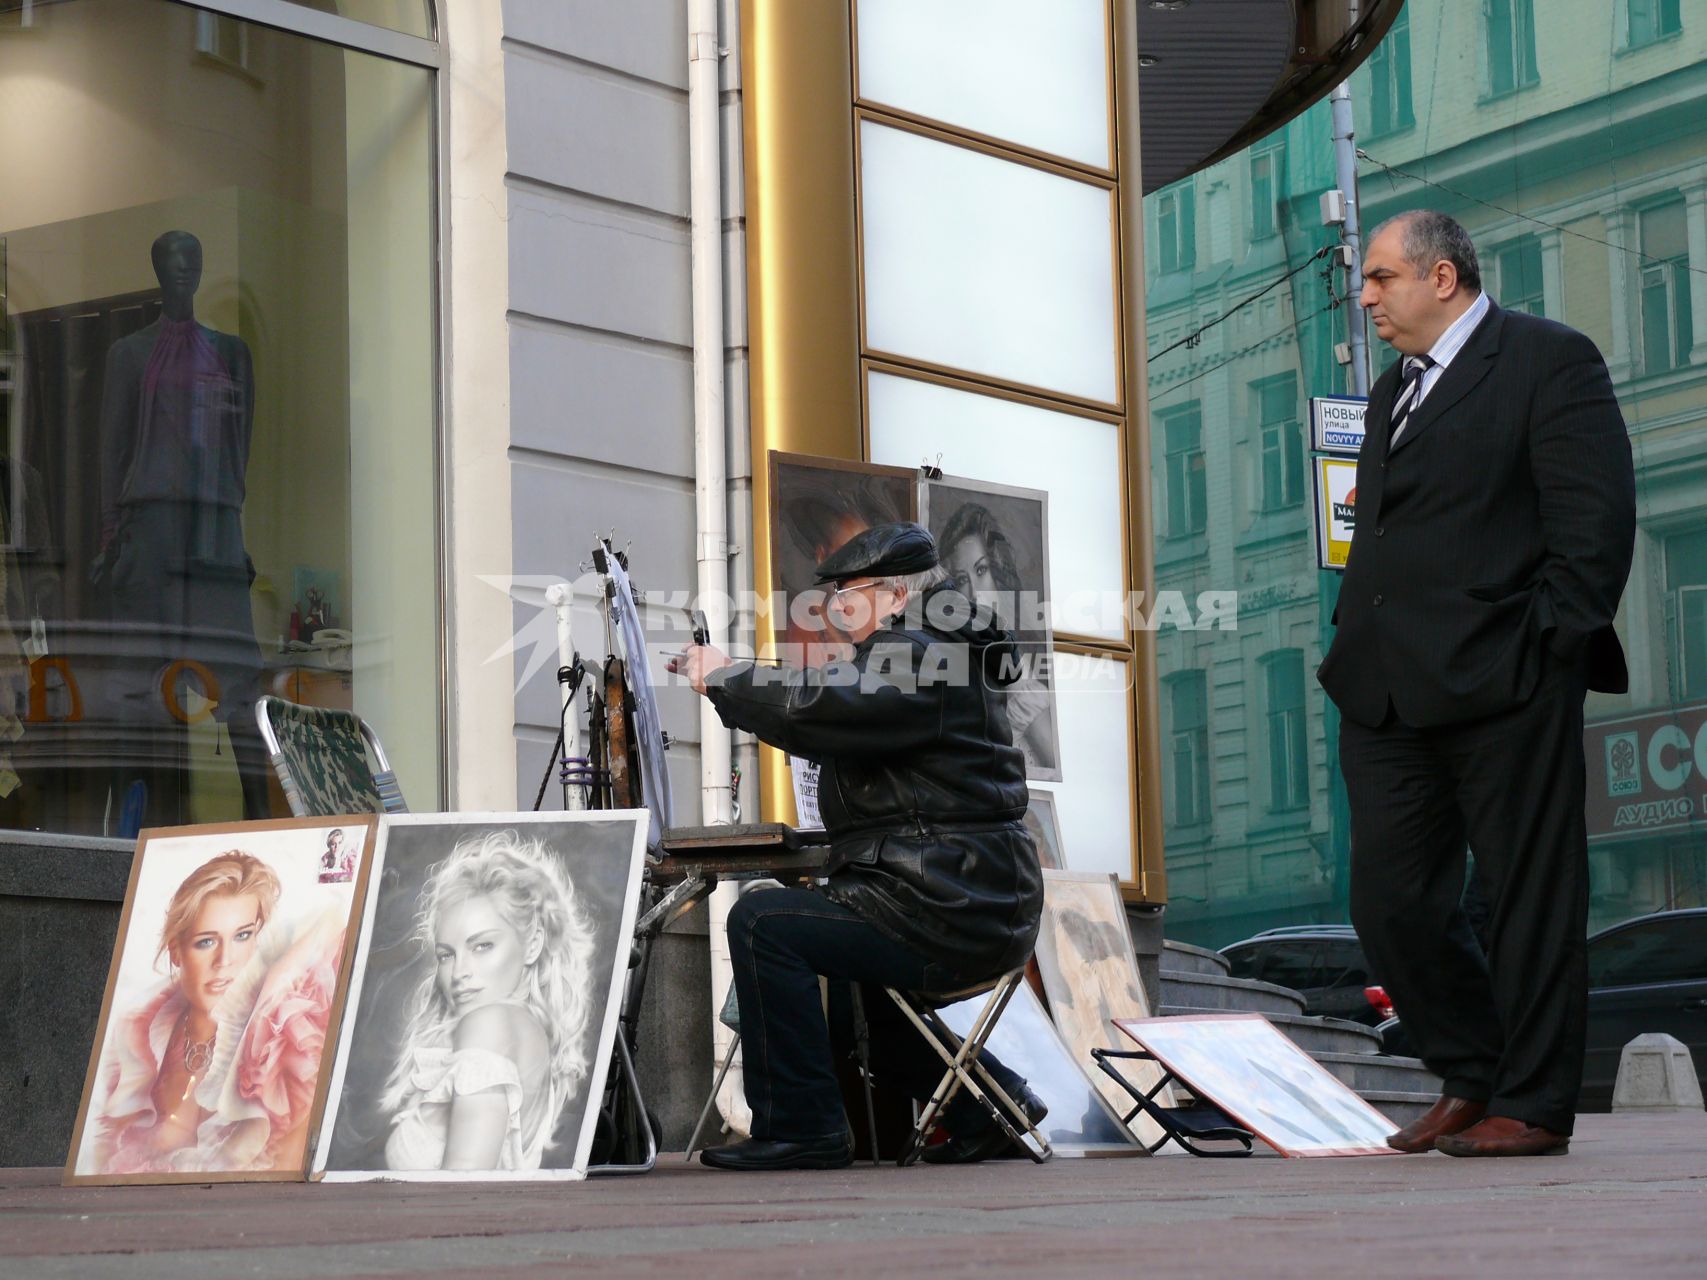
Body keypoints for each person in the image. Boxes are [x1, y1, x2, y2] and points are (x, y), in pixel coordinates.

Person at [1316, 210, 1636, 1157]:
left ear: (1442, 278)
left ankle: (1530, 1105)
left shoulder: (1547, 360)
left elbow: (1596, 519)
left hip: (1507, 679)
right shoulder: (1388, 394)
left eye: (1379, 278)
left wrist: (1543, 647)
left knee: (1529, 898)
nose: (1365, 297)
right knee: (1388, 901)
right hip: (1382, 690)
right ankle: (1473, 1071)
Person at [671, 522, 1046, 1171]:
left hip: (947, 900)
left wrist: (727, 678)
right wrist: (739, 692)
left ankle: (802, 1129)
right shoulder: (934, 649)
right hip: (963, 893)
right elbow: (836, 722)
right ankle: (990, 1108)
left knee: (762, 922)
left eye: (847, 594)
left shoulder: (922, 651)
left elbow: (826, 707)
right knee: (847, 1000)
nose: (836, 609)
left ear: (892, 593)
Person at [84, 849, 343, 1175]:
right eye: (206, 942)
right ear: (177, 952)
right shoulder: (138, 1034)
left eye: (243, 936)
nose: (225, 961)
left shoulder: (281, 1052)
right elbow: (99, 1157)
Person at [380, 830, 596, 1172]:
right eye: (446, 955)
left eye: (482, 946)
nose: (459, 972)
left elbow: (464, 1186)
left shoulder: (488, 1024)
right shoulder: (523, 1028)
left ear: (533, 944)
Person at [938, 500, 1057, 776]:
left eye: (981, 570)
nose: (975, 593)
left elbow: (1057, 768)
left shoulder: (1024, 671)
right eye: (961, 579)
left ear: (998, 569)